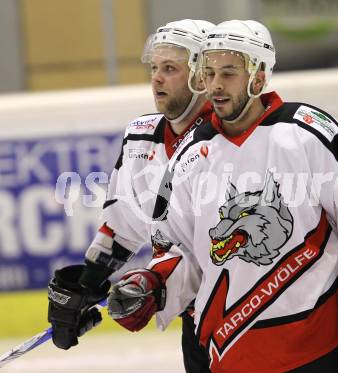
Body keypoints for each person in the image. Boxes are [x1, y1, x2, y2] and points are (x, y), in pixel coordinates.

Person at [108, 20, 338, 373]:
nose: (215, 85)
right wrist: (152, 284)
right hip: (232, 353)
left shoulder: (308, 134)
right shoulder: (188, 157)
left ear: (258, 77)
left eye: (228, 73)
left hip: (319, 347)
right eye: (209, 72)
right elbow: (176, 249)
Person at [47, 19, 214, 373]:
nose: (156, 78)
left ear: (202, 76)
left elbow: (221, 247)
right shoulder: (142, 136)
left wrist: (156, 283)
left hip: (253, 315)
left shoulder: (229, 139)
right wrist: (86, 286)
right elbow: (123, 225)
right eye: (154, 68)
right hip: (197, 321)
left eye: (170, 68)